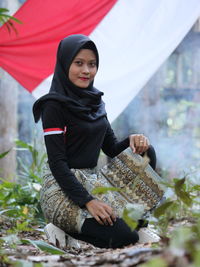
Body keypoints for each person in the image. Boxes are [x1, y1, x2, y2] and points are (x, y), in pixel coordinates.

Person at [33, 34, 162, 249]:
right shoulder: (53, 106)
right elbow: (57, 163)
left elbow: (111, 148)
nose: (86, 71)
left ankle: (139, 226)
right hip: (62, 189)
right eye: (79, 63)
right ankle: (63, 233)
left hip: (94, 183)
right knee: (124, 237)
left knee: (145, 152)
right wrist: (88, 202)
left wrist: (132, 140)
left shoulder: (95, 101)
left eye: (92, 65)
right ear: (65, 64)